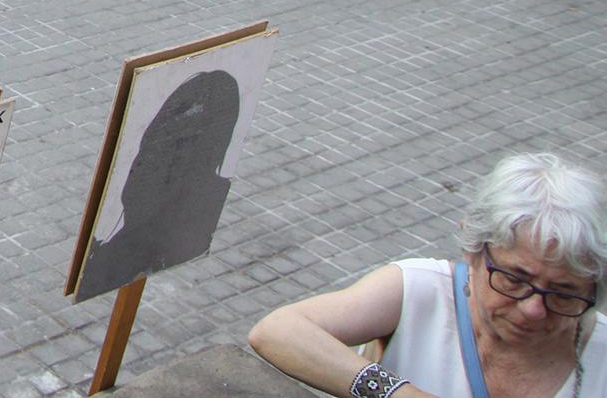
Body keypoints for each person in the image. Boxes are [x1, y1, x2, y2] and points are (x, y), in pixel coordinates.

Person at [249, 151, 607, 397]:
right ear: (474, 252)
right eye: (514, 280)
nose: (533, 309)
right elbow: (277, 331)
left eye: (564, 293)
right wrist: (398, 392)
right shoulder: (420, 290)